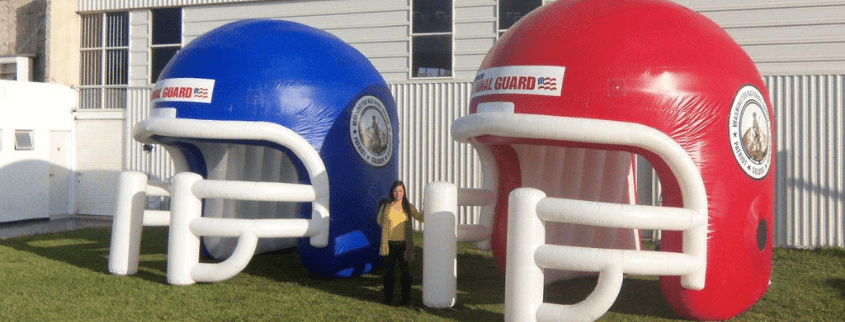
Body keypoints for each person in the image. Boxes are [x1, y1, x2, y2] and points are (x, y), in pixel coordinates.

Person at [377, 180, 424, 306]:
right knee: (389, 273)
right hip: (389, 245)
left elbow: (421, 218)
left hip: (404, 245)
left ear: (404, 192)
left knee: (406, 274)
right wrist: (389, 229)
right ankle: (388, 299)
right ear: (392, 192)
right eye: (396, 191)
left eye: (400, 191)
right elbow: (380, 220)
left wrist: (427, 206)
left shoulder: (408, 207)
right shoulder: (386, 206)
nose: (398, 193)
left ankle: (406, 300)